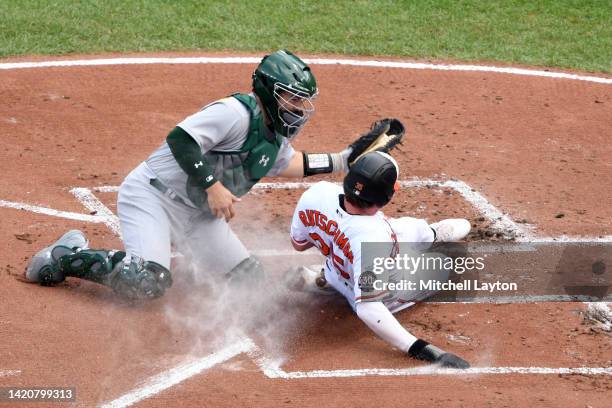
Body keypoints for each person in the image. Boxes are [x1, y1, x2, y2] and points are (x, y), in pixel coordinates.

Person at [24, 50, 402, 301]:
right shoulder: (234, 113)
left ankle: (175, 257)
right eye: (292, 98)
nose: (300, 108)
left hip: (198, 217)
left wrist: (343, 159)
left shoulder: (274, 135)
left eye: (303, 100)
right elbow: (181, 139)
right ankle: (65, 255)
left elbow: (288, 163)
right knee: (147, 283)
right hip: (153, 197)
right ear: (270, 92)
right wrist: (213, 184)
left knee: (251, 286)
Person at [290, 151, 471, 368]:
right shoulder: (377, 234)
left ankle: (325, 279)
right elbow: (368, 308)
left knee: (400, 236)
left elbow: (299, 244)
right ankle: (432, 233)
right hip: (380, 296)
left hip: (336, 274)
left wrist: (337, 234)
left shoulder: (317, 193)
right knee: (448, 261)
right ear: (385, 197)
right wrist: (419, 347)